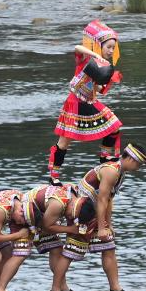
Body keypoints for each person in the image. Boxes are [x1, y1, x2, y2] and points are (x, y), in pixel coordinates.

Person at [50, 143, 146, 291]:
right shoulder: (111, 171)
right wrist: (101, 228)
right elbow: (101, 199)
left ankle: (115, 288)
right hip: (82, 211)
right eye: (139, 164)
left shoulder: (120, 172)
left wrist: (109, 224)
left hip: (94, 210)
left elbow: (108, 199)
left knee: (109, 247)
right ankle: (55, 290)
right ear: (131, 160)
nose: (139, 168)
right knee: (71, 251)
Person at [47, 20, 124, 185]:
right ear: (99, 46)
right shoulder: (87, 58)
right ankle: (54, 177)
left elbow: (98, 90)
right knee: (64, 142)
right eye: (108, 47)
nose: (111, 51)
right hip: (74, 102)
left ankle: (105, 157)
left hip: (89, 102)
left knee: (114, 125)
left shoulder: (106, 67)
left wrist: (108, 82)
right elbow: (77, 47)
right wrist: (95, 56)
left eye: (113, 48)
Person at [0, 185, 97, 291]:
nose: (70, 217)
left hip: (40, 216)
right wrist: (70, 230)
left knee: (57, 249)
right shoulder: (58, 204)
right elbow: (47, 226)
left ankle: (62, 288)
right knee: (20, 254)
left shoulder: (77, 195)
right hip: (24, 215)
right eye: (72, 215)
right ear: (74, 206)